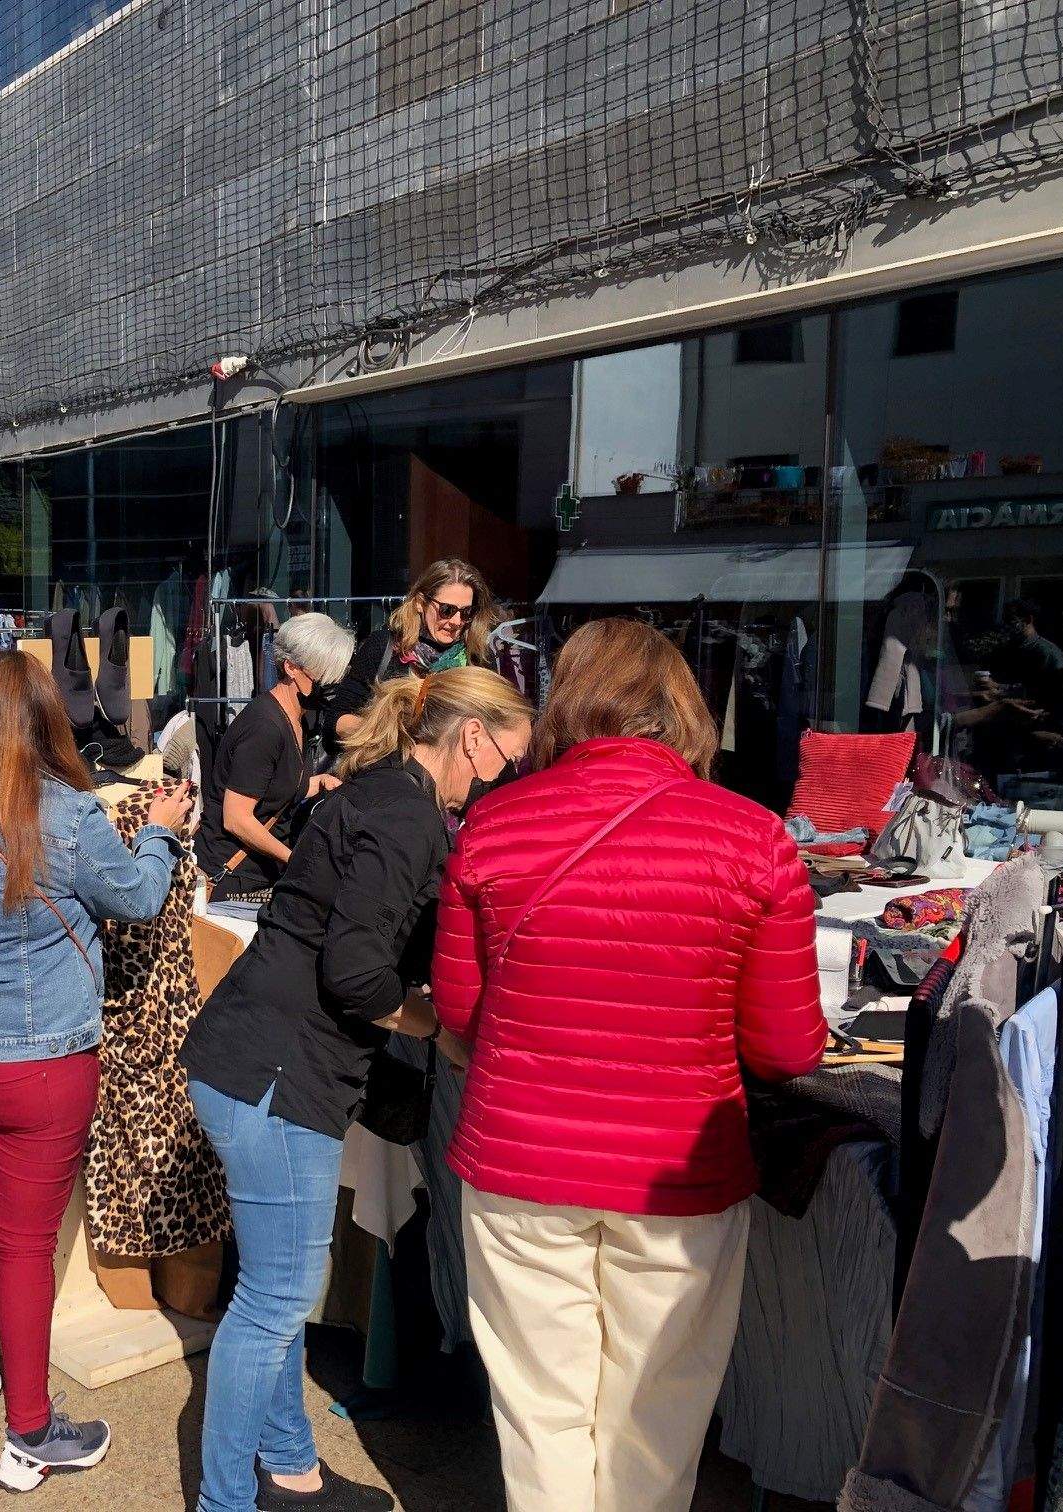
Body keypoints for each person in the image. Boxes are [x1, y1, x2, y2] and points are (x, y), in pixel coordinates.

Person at [430, 617, 826, 1512]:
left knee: (542, 1416)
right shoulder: (756, 837)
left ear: (569, 704)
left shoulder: (493, 825)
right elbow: (789, 1048)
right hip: (678, 1171)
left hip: (522, 1159)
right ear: (684, 709)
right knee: (657, 1420)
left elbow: (459, 1012)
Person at [181, 666, 535, 1512]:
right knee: (275, 1303)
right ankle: (225, 1502)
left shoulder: (379, 794)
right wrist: (435, 1028)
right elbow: (356, 972)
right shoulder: (409, 817)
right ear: (472, 737)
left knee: (271, 1291)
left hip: (248, 1059)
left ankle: (292, 1470)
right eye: (505, 763)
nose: (503, 782)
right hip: (279, 1076)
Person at [0, 649, 191, 1492]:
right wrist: (161, 829)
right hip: (36, 1063)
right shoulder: (69, 814)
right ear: (45, 719)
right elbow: (135, 899)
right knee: (22, 1246)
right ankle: (28, 1432)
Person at [193, 613, 354, 904]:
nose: (331, 686)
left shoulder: (297, 719)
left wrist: (317, 783)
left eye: (337, 677)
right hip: (232, 879)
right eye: (324, 676)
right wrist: (294, 860)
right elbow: (236, 818)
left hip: (257, 876)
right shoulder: (265, 727)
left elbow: (275, 788)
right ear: (291, 667)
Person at [326, 559, 501, 743]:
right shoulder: (383, 646)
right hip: (391, 767)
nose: (457, 621)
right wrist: (390, 736)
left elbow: (495, 725)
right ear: (420, 603)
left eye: (466, 612)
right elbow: (335, 720)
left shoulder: (478, 658)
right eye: (447, 610)